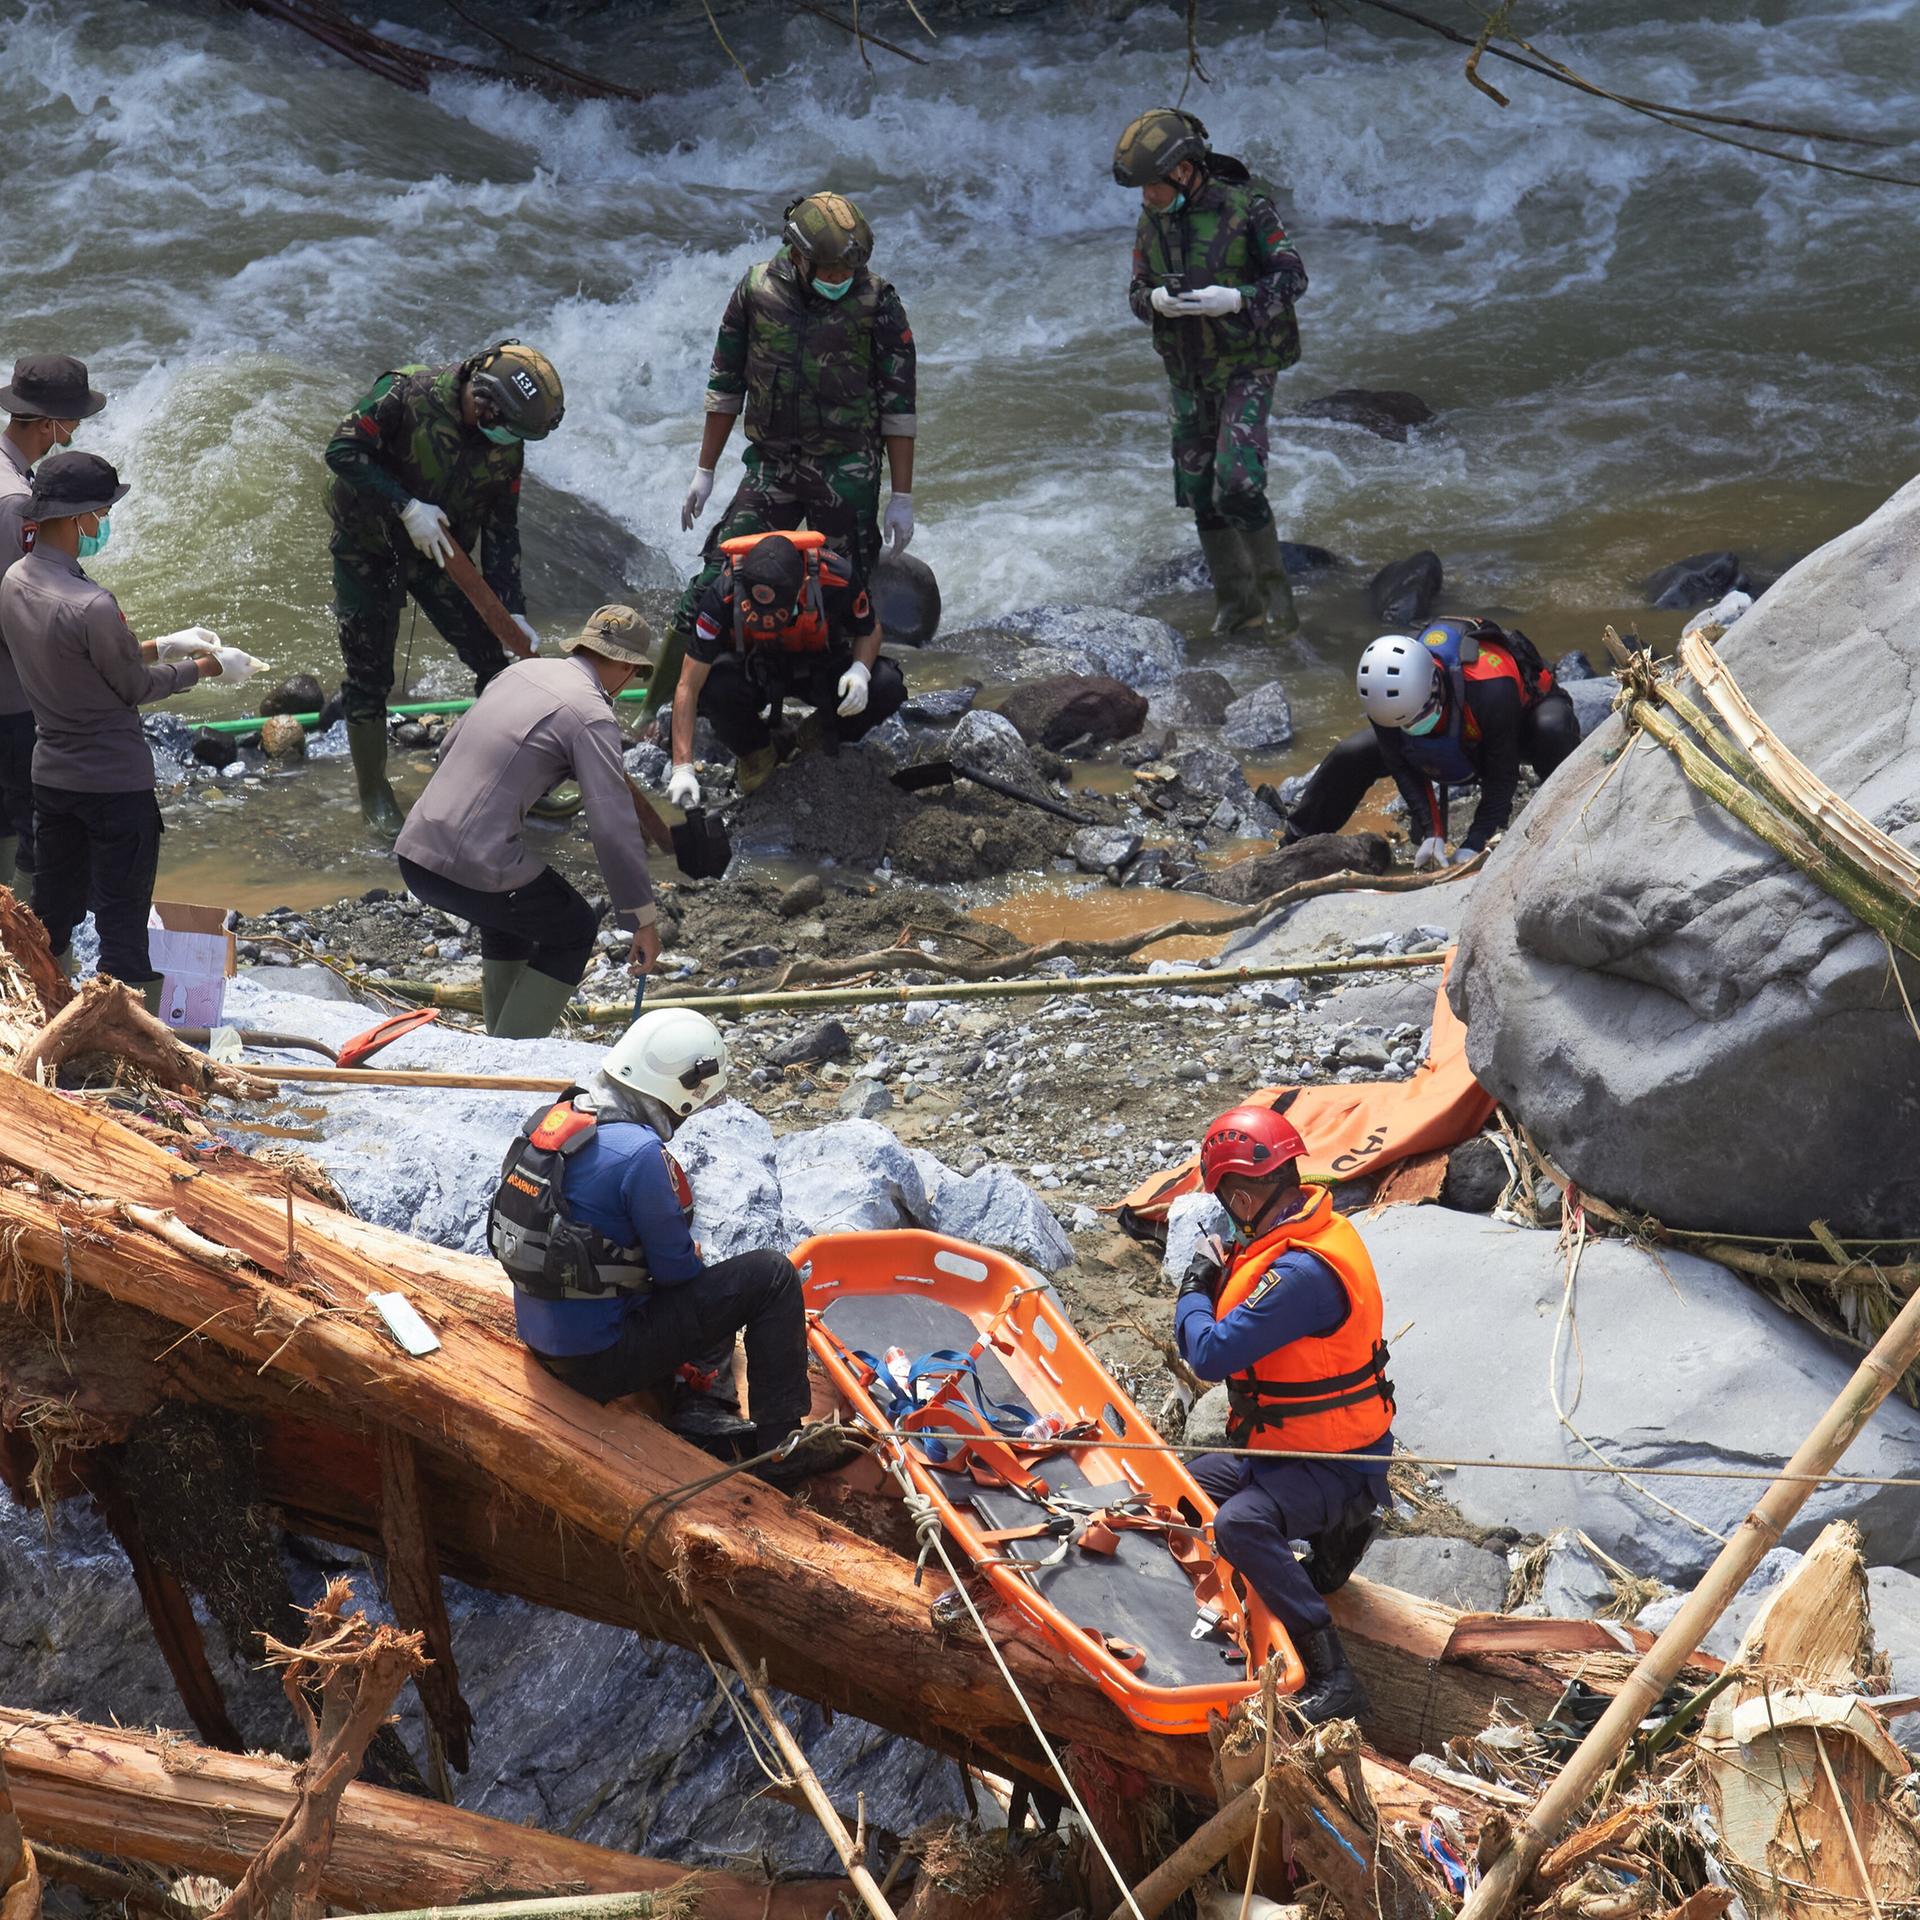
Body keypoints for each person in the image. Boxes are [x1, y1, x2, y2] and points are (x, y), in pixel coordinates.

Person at [488, 1006, 827, 1485]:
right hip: (601, 1362)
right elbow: (676, 1273)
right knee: (770, 1277)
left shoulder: (553, 1122)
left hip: (547, 1337)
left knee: (704, 1286)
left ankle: (700, 1408)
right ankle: (781, 1448)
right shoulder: (641, 1155)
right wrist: (691, 1261)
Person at [652, 192, 917, 721]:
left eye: (850, 268)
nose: (842, 277)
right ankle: (660, 710)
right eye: (832, 268)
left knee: (846, 592)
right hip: (772, 464)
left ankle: (836, 715)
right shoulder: (755, 292)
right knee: (714, 577)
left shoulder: (877, 302)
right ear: (798, 256)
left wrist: (902, 495)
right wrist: (704, 470)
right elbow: (725, 385)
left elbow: (900, 406)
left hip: (847, 467)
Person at [0, 451, 253, 1002]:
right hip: (115, 785)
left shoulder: (16, 580)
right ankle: (130, 1032)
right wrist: (205, 667)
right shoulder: (92, 603)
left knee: (52, 908)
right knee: (121, 919)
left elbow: (79, 658)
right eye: (101, 512)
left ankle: (40, 1003)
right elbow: (133, 687)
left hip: (53, 776)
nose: (102, 524)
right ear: (81, 518)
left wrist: (161, 645)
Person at [1175, 1105, 1394, 1724]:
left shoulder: (1300, 1273)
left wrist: (1195, 1289)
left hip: (1336, 1463)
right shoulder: (1303, 1237)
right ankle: (1330, 1547)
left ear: (1244, 1196)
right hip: (1290, 1449)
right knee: (1189, 1484)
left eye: (1226, 1199)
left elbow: (1210, 1354)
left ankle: (1333, 1672)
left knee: (1238, 1524)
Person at [326, 340, 565, 837]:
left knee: (494, 665)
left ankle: (515, 784)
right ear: (483, 402)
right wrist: (406, 505)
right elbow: (342, 451)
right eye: (508, 429)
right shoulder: (404, 395)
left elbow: (503, 529)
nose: (510, 441)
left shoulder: (508, 443)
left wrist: (512, 609)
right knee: (369, 676)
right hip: (369, 548)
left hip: (443, 556)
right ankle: (374, 794)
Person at [394, 604, 661, 1040]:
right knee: (575, 928)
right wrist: (642, 921)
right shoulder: (592, 714)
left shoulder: (518, 674)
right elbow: (612, 828)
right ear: (628, 667)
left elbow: (448, 750)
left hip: (415, 851)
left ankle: (499, 1044)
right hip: (468, 868)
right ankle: (513, 1058)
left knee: (509, 917)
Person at [1116, 109, 1307, 635]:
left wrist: (1236, 299)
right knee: (1200, 491)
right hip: (1187, 369)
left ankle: (1278, 600)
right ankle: (1236, 602)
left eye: (1151, 186)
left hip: (1246, 364)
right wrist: (1154, 300)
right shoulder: (1151, 218)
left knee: (1239, 484)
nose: (1145, 198)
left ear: (1183, 170)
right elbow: (1135, 293)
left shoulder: (1248, 208)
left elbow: (1293, 278)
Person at [1282, 618, 1580, 865]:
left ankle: (1578, 821)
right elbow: (1399, 763)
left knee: (1551, 728)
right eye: (1404, 724)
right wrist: (1432, 831)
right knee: (1352, 754)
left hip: (1517, 722)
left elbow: (1502, 776)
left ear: (1435, 687)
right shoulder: (1385, 697)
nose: (1413, 729)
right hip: (1458, 724)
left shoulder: (1491, 688)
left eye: (1417, 718)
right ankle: (1293, 846)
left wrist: (1474, 842)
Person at [666, 529, 905, 806]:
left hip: (819, 667)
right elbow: (688, 684)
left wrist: (860, 671)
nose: (767, 620)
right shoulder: (722, 595)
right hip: (754, 671)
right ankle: (758, 751)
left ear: (802, 585)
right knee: (713, 687)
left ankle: (817, 733)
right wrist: (681, 768)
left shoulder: (835, 577)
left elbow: (870, 628)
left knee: (886, 684)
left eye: (777, 614)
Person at [0, 354, 111, 887]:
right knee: (35, 833)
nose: (75, 429)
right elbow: (24, 607)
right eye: (73, 420)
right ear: (48, 424)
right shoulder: (18, 502)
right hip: (13, 696)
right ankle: (27, 957)